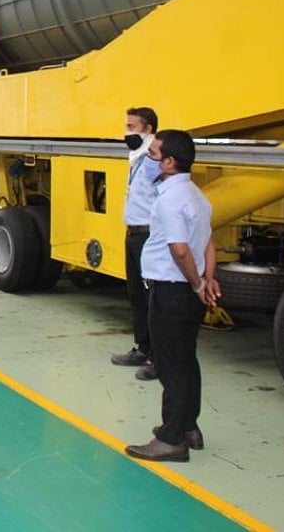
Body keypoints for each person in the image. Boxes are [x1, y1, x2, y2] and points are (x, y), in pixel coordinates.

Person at [125, 129, 220, 463]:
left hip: (171, 291)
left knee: (170, 366)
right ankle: (189, 425)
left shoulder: (169, 199)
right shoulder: (197, 196)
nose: (148, 157)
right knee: (186, 360)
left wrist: (196, 282)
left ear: (169, 162)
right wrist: (208, 278)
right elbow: (208, 242)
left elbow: (179, 250)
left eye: (153, 154)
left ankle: (171, 438)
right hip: (187, 294)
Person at [111, 106, 161, 380]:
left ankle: (157, 357)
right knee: (135, 293)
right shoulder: (137, 156)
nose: (127, 130)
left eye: (133, 126)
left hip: (148, 235)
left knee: (151, 296)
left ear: (148, 129)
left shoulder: (155, 159)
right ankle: (141, 347)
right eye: (126, 125)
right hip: (133, 233)